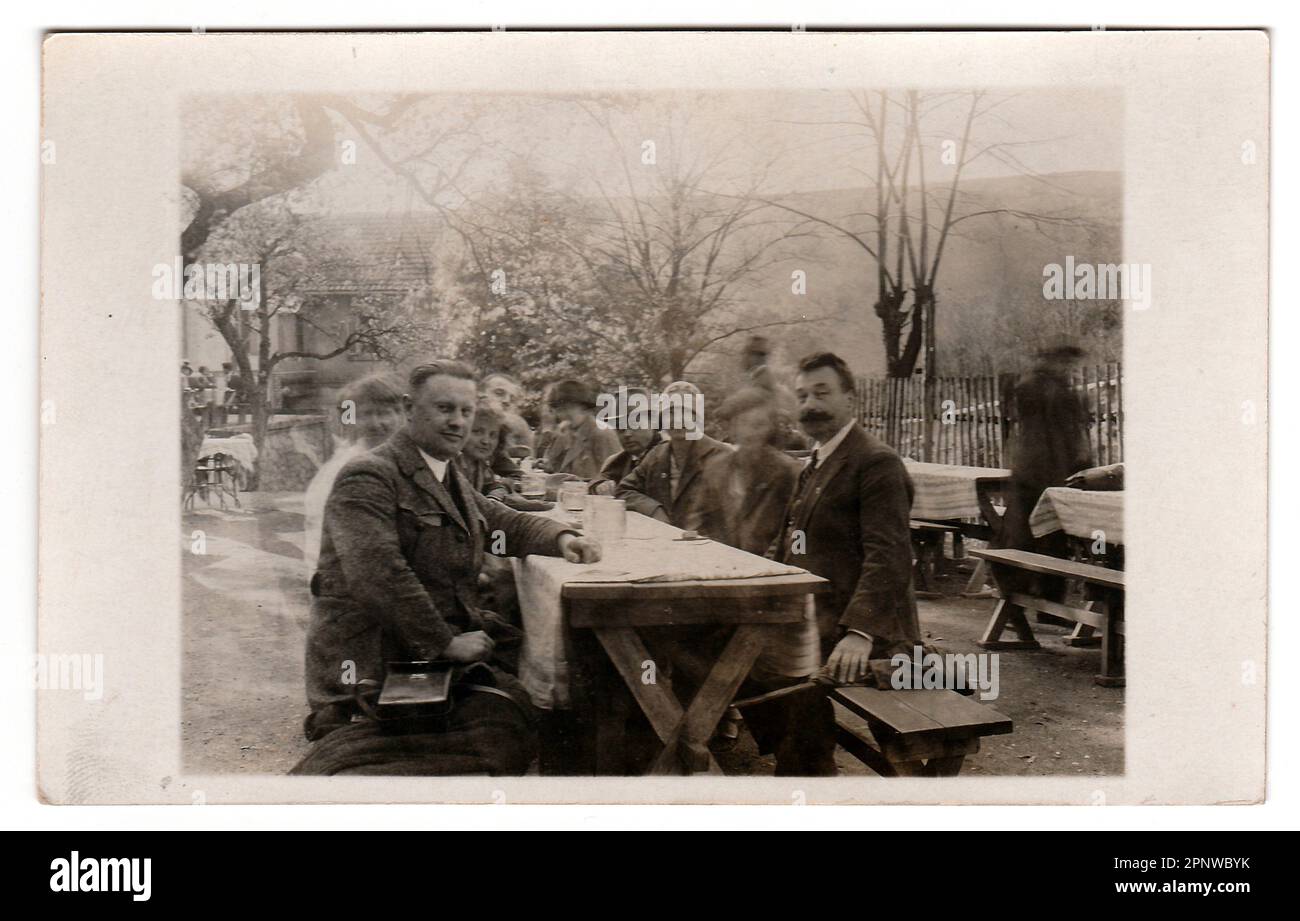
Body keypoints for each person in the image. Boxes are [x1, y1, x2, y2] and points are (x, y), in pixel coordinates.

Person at [292, 359, 602, 776]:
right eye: (444, 409)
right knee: (502, 730)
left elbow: (497, 518)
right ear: (409, 408)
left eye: (466, 411)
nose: (458, 422)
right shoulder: (368, 475)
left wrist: (562, 538)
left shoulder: (442, 470)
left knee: (533, 707)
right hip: (374, 664)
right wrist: (445, 643)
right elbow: (379, 576)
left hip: (414, 648)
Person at [763, 351, 921, 775]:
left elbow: (890, 558)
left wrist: (860, 632)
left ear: (850, 398)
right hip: (814, 619)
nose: (810, 405)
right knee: (730, 649)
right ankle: (805, 764)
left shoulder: (875, 462)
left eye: (822, 392)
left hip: (871, 635)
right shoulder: (814, 462)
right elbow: (788, 544)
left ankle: (807, 775)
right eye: (801, 396)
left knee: (777, 674)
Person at [1000, 335, 1094, 603]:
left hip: (1050, 469)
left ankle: (1046, 599)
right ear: (1050, 360)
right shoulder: (1036, 387)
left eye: (1070, 363)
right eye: (1064, 361)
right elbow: (1060, 429)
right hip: (1038, 471)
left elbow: (1074, 432)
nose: (1068, 367)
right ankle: (1019, 596)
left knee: (1050, 535)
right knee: (1029, 533)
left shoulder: (1055, 388)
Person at [302, 373, 406, 575]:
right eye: (367, 414)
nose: (376, 423)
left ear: (400, 414)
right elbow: (317, 536)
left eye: (384, 413)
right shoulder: (343, 467)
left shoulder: (404, 459)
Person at [616, 381, 730, 528]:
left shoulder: (721, 455)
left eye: (686, 412)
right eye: (670, 413)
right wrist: (654, 510)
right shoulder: (656, 455)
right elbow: (624, 490)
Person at [540, 379, 621, 480]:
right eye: (558, 409)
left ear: (583, 406)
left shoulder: (602, 433)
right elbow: (554, 469)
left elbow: (615, 480)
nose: (561, 415)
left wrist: (581, 482)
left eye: (567, 408)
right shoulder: (565, 433)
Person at [588, 388, 663, 496]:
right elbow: (599, 480)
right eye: (620, 427)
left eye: (634, 425)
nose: (627, 434)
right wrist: (599, 486)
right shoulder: (619, 460)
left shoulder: (667, 456)